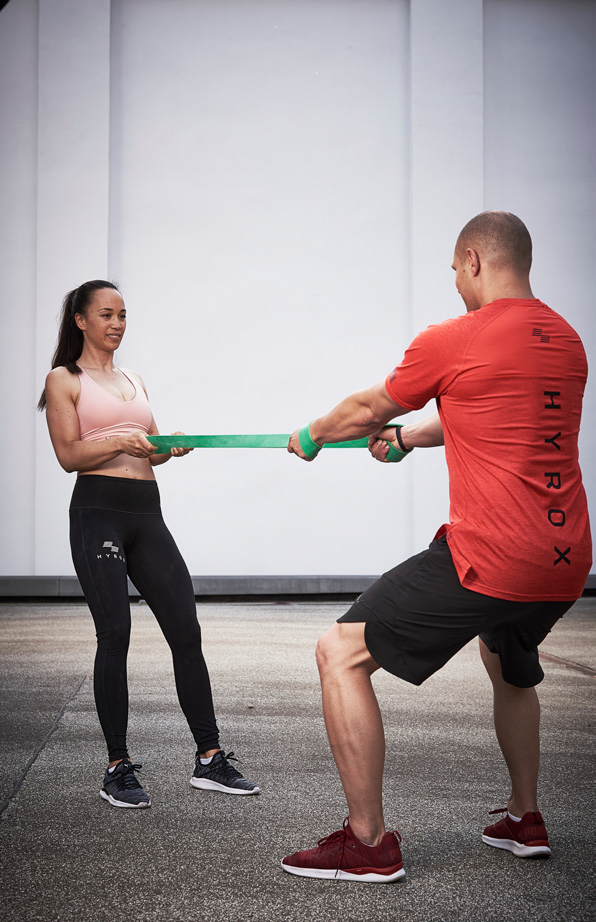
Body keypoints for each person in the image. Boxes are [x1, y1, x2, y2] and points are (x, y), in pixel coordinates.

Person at [282, 211, 591, 882]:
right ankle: (523, 816)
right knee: (507, 656)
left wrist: (311, 434)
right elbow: (484, 413)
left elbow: (369, 409)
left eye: (455, 270)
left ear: (475, 260)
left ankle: (366, 843)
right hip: (565, 559)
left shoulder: (458, 337)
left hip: (493, 552)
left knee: (340, 651)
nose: (455, 283)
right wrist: (410, 441)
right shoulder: (566, 341)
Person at [38, 280, 259, 808]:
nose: (117, 324)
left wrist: (169, 447)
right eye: (106, 314)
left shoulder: (133, 379)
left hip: (146, 514)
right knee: (115, 632)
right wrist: (120, 439)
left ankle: (209, 758)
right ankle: (117, 766)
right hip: (99, 514)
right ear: (81, 321)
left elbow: (149, 448)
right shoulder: (62, 380)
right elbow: (69, 456)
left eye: (123, 315)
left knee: (186, 629)